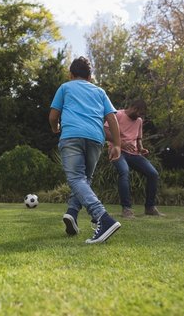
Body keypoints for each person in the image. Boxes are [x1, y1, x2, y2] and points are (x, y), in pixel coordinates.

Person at [49, 56, 122, 244]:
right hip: (95, 139)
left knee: (75, 179)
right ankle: (72, 213)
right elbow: (112, 119)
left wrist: (55, 127)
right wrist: (117, 144)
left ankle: (102, 218)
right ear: (90, 76)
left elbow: (53, 115)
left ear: (71, 74)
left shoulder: (65, 87)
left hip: (72, 136)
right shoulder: (100, 92)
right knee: (84, 180)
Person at [104, 99, 164, 218]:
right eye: (139, 113)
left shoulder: (139, 121)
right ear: (133, 108)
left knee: (153, 174)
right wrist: (120, 143)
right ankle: (126, 209)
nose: (140, 116)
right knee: (124, 172)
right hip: (117, 151)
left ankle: (150, 207)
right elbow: (105, 131)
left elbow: (138, 138)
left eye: (142, 114)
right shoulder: (118, 115)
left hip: (134, 154)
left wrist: (141, 148)